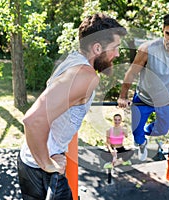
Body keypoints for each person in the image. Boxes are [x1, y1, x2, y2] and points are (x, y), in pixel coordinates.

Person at [17, 13, 127, 200]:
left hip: (30, 162)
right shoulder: (86, 76)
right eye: (115, 48)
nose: (117, 54)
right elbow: (32, 120)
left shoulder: (72, 61)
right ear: (97, 48)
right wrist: (48, 164)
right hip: (42, 171)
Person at [117, 10, 169, 161]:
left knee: (161, 130)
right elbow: (132, 72)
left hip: (167, 100)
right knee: (137, 134)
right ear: (163, 30)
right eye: (168, 34)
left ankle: (147, 131)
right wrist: (122, 96)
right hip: (143, 98)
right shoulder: (148, 49)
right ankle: (141, 143)